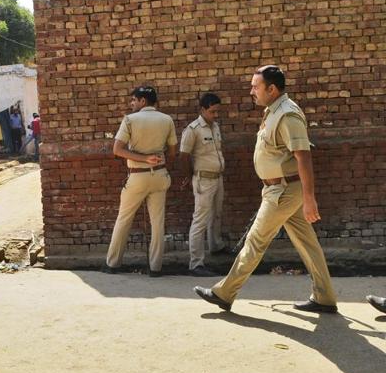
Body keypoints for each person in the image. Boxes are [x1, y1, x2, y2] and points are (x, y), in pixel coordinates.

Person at [194, 65, 337, 313]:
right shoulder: (273, 111)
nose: (252, 91)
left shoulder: (287, 114)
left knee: (255, 241)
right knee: (308, 244)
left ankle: (224, 293)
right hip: (281, 189)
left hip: (282, 191)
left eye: (256, 86)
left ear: (272, 89)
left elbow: (303, 156)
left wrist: (309, 197)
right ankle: (324, 297)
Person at [104, 86, 177, 277]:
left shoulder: (130, 120)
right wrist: (157, 158)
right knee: (158, 223)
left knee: (123, 219)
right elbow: (172, 151)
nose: (132, 104)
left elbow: (117, 150)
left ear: (143, 101)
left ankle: (113, 264)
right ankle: (155, 268)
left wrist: (144, 158)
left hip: (137, 176)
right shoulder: (167, 120)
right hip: (160, 175)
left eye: (134, 100)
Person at [179, 93, 228, 277]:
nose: (216, 115)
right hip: (203, 180)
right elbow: (184, 156)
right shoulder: (193, 130)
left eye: (217, 111)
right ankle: (196, 263)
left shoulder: (215, 127)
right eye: (212, 111)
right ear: (202, 109)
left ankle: (216, 246)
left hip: (217, 178)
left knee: (216, 215)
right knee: (200, 220)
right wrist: (189, 177)